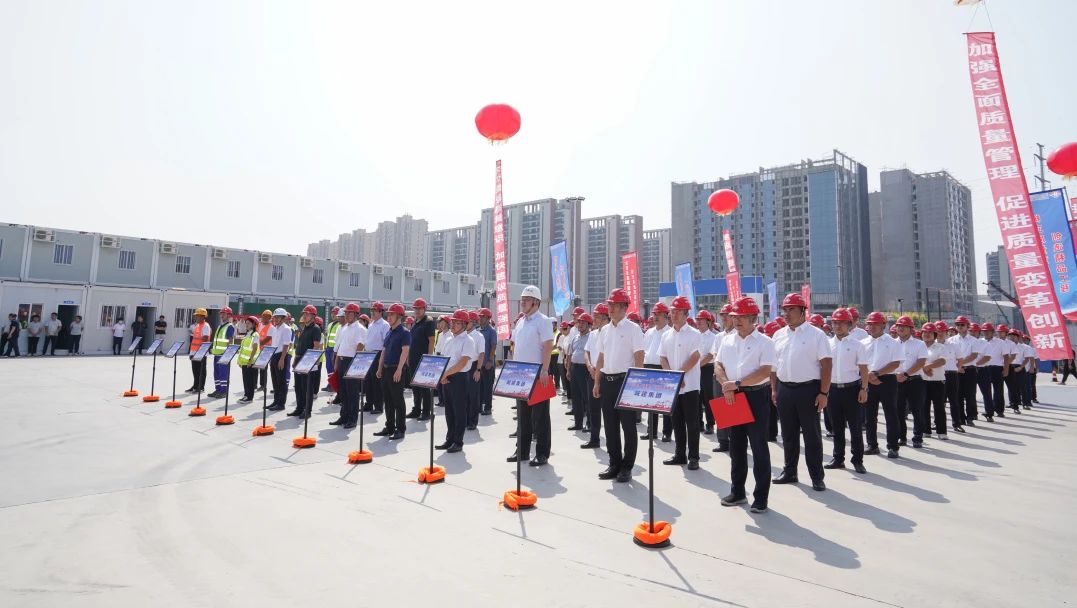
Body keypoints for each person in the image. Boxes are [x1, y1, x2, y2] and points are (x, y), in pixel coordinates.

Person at [714, 296, 776, 512]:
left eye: (742, 317)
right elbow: (718, 364)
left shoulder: (765, 342)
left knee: (759, 447)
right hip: (732, 395)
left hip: (756, 396)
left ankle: (761, 497)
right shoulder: (727, 340)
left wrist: (737, 383)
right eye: (735, 317)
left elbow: (765, 371)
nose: (737, 320)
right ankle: (738, 491)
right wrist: (726, 385)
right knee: (736, 446)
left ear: (753, 318)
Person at [771, 293, 832, 491]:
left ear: (803, 311)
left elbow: (826, 365)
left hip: (809, 390)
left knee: (811, 436)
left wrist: (823, 393)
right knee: (788, 434)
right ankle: (790, 471)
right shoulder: (778, 335)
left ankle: (816, 476)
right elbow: (774, 366)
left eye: (792, 309)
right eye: (785, 310)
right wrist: (774, 389)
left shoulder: (817, 335)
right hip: (784, 389)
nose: (787, 314)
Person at [592, 288, 645, 482]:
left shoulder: (633, 329)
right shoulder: (604, 330)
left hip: (625, 381)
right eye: (609, 304)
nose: (610, 308)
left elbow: (639, 356)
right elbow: (601, 357)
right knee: (610, 426)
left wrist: (635, 382)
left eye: (614, 305)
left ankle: (627, 467)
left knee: (628, 427)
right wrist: (597, 381)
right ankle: (614, 463)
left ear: (624, 307)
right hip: (607, 381)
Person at [508, 285, 555, 467]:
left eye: (526, 300)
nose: (523, 303)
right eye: (522, 300)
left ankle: (542, 453)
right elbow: (515, 346)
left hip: (537, 374)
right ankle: (522, 451)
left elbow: (548, 346)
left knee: (540, 417)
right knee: (523, 417)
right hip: (521, 374)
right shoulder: (521, 321)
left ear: (535, 302)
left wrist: (545, 369)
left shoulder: (543, 321)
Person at [823, 307, 870, 473]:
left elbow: (864, 369)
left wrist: (864, 389)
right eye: (835, 323)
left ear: (849, 324)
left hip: (852, 390)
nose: (837, 326)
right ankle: (838, 458)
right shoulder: (827, 344)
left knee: (855, 427)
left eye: (842, 323)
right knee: (836, 427)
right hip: (833, 390)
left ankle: (857, 460)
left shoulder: (858, 345)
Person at [659, 296, 703, 470]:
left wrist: (680, 375)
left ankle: (693, 457)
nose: (674, 315)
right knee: (676, 421)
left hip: (690, 386)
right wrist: (672, 376)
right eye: (672, 311)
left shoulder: (694, 334)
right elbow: (662, 357)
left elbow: (695, 356)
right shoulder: (666, 335)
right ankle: (679, 454)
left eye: (678, 312)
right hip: (673, 386)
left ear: (686, 314)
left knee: (692, 423)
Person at [861, 311, 902, 457]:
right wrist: (868, 376)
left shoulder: (892, 342)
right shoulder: (862, 343)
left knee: (891, 414)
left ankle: (893, 446)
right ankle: (872, 445)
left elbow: (896, 363)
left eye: (875, 324)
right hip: (867, 380)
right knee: (869, 415)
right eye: (870, 324)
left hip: (887, 380)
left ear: (883, 325)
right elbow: (859, 363)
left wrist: (877, 374)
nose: (872, 327)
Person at [435, 309, 474, 453]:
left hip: (459, 378)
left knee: (459, 411)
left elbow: (462, 363)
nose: (453, 325)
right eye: (453, 322)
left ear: (464, 325)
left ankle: (458, 441)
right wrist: (443, 375)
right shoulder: (449, 339)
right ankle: (449, 439)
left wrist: (445, 374)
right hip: (446, 377)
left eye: (457, 322)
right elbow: (444, 358)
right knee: (449, 411)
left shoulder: (468, 340)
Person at [372, 303, 411, 439]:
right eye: (388, 314)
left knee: (398, 400)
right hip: (386, 369)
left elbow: (405, 352)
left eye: (392, 315)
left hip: (396, 369)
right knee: (388, 400)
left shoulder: (404, 333)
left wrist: (399, 369)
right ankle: (389, 427)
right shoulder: (389, 332)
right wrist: (379, 367)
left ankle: (400, 429)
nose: (389, 317)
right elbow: (384, 351)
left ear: (399, 316)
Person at [893, 316, 928, 448]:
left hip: (915, 381)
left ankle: (917, 437)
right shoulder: (891, 344)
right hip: (896, 381)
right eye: (898, 326)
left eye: (904, 326)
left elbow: (921, 362)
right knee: (898, 411)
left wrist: (906, 374)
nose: (900, 328)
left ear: (910, 328)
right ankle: (901, 437)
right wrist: (897, 375)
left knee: (917, 410)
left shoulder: (919, 344)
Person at [331, 302, 367, 429]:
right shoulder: (345, 327)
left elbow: (360, 347)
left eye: (349, 313)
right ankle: (344, 416)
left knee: (352, 393)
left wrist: (356, 365)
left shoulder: (360, 329)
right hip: (342, 361)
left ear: (356, 314)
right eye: (345, 313)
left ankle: (352, 419)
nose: (346, 315)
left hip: (351, 361)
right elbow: (340, 346)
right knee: (343, 392)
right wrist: (337, 362)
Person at [641, 302, 672, 441]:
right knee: (650, 401)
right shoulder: (649, 332)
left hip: (663, 368)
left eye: (659, 314)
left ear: (666, 316)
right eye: (654, 314)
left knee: (665, 402)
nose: (655, 317)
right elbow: (644, 350)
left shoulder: (670, 332)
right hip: (648, 367)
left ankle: (667, 432)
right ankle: (651, 431)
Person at [581, 303, 610, 449]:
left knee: (608, 411)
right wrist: (589, 366)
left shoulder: (610, 333)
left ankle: (611, 443)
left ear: (605, 317)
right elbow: (586, 352)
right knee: (593, 409)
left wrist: (597, 371)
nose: (594, 319)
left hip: (605, 376)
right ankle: (594, 438)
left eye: (597, 316)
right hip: (591, 374)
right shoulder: (592, 334)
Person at [289, 305, 323, 419]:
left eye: (307, 314)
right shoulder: (304, 328)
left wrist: (310, 362)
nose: (304, 315)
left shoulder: (316, 329)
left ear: (313, 316)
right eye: (304, 314)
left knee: (307, 388)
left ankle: (307, 410)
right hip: (299, 360)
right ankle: (299, 408)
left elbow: (316, 346)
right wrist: (295, 360)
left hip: (307, 361)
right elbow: (300, 346)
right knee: (298, 387)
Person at [406, 299, 437, 421]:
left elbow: (431, 341)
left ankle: (426, 412)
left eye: (420, 308)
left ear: (424, 309)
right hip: (413, 358)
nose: (417, 311)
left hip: (423, 359)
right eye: (416, 308)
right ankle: (416, 409)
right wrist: (408, 357)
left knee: (424, 387)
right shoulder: (415, 322)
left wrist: (428, 358)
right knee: (415, 387)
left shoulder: (428, 322)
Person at [921, 323, 951, 440]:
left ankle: (942, 431)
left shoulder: (941, 347)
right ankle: (926, 430)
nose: (927, 335)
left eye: (930, 333)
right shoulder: (919, 346)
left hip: (937, 381)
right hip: (922, 381)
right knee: (924, 406)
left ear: (934, 334)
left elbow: (942, 361)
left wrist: (928, 367)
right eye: (925, 332)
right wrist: (924, 368)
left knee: (939, 407)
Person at [567, 313, 594, 433]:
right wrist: (568, 369)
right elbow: (570, 354)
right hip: (575, 368)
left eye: (583, 322)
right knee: (576, 397)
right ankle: (578, 423)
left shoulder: (591, 337)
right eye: (579, 322)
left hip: (585, 370)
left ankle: (590, 424)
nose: (580, 325)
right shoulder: (575, 337)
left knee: (587, 398)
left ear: (589, 324)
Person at [975, 323, 1005, 421]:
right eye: (984, 331)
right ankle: (988, 411)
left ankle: (999, 410)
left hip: (997, 368)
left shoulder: (1000, 342)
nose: (986, 333)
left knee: (998, 390)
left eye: (988, 331)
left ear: (993, 332)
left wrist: (1006, 369)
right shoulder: (979, 342)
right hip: (983, 368)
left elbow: (1006, 356)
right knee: (985, 391)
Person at [264, 308, 293, 411]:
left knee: (281, 381)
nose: (275, 319)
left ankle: (281, 404)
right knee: (275, 380)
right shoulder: (275, 328)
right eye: (274, 317)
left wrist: (282, 359)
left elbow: (286, 345)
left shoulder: (286, 329)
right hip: (274, 355)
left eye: (277, 317)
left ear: (283, 318)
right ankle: (276, 401)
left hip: (281, 355)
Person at [364, 302, 390, 414]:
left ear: (380, 312)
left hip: (378, 354)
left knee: (377, 381)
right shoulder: (371, 324)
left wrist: (382, 359)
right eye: (372, 311)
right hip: (368, 354)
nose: (372, 313)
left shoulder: (384, 325)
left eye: (374, 311)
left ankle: (378, 406)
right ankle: (369, 403)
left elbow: (386, 344)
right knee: (368, 381)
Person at [464, 311, 487, 430]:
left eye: (466, 322)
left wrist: (478, 370)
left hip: (474, 366)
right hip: (463, 366)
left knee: (473, 395)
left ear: (473, 322)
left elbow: (481, 354)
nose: (464, 324)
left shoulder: (479, 336)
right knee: (464, 395)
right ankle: (465, 420)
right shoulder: (463, 335)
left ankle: (472, 421)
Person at [207, 307, 236, 398]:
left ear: (229, 315)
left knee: (223, 373)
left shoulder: (230, 326)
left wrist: (228, 355)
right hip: (217, 354)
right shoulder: (220, 326)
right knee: (216, 373)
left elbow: (230, 341)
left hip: (224, 354)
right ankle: (218, 390)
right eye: (221, 313)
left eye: (224, 313)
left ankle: (224, 391)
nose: (221, 315)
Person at [476, 308, 498, 416]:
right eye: (479, 317)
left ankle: (488, 408)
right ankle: (479, 407)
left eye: (482, 317)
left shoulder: (492, 331)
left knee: (488, 388)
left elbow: (493, 347)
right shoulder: (478, 330)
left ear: (488, 318)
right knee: (479, 387)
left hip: (487, 364)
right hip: (479, 364)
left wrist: (490, 360)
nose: (480, 319)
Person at [236, 316, 262, 403]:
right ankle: (246, 395)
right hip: (245, 362)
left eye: (248, 323)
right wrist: (240, 361)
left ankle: (249, 397)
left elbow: (255, 348)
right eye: (246, 323)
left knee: (250, 380)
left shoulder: (255, 335)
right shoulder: (247, 334)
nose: (246, 325)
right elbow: (243, 349)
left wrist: (250, 360)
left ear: (254, 324)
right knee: (246, 380)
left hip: (250, 362)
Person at [185, 309, 210, 392]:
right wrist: (191, 353)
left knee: (201, 371)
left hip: (201, 352)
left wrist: (200, 353)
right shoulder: (197, 326)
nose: (195, 317)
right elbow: (194, 340)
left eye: (197, 316)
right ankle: (195, 386)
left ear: (202, 316)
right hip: (194, 352)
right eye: (195, 316)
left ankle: (201, 387)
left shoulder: (206, 326)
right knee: (195, 370)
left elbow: (205, 339)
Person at [1005, 329, 1027, 414]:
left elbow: (1027, 359)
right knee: (1011, 387)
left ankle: (1024, 403)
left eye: (1014, 336)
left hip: (1019, 366)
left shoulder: (1023, 347)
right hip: (1009, 366)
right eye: (1010, 336)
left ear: (1018, 337)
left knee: (1022, 386)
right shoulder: (1005, 344)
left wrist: (1021, 367)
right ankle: (1012, 403)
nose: (1012, 337)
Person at [322, 306, 342, 392]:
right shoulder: (330, 324)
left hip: (334, 349)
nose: (333, 315)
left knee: (334, 368)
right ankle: (330, 384)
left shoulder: (340, 325)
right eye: (332, 313)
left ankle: (334, 386)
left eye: (335, 313)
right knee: (328, 367)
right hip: (328, 348)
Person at [256, 310, 273, 392]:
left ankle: (263, 385)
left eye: (266, 316)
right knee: (257, 367)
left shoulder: (271, 327)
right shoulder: (259, 325)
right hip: (258, 349)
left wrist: (258, 343)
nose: (264, 318)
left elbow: (268, 338)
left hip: (266, 350)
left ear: (270, 318)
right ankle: (255, 384)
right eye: (263, 316)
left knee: (263, 368)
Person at [1022, 334, 1039, 406]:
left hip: (1031, 369)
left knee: (1032, 384)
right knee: (1023, 385)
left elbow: (1035, 359)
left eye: (1026, 340)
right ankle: (1023, 398)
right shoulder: (1021, 348)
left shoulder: (1032, 349)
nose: (1025, 341)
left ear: (1029, 341)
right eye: (1024, 340)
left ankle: (1033, 398)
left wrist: (1036, 368)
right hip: (1023, 369)